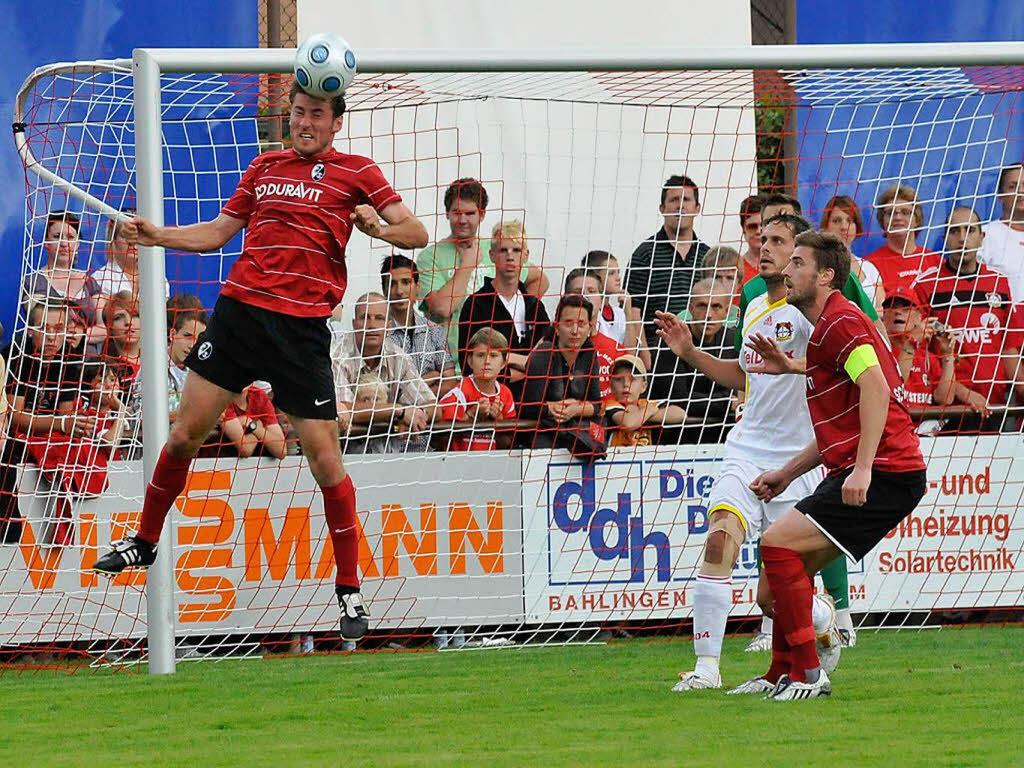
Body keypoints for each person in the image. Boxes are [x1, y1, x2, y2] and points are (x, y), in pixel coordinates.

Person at [91, 80, 429, 643]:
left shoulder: (358, 171)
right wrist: (156, 236)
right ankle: (145, 541)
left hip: (301, 334)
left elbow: (415, 231)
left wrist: (377, 226)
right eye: (297, 112)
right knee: (182, 436)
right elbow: (219, 233)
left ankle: (349, 589)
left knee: (324, 462)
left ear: (335, 121)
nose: (304, 122)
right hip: (241, 318)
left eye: (316, 114)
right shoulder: (263, 166)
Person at [653, 216, 846, 693]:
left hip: (797, 460)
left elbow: (838, 367)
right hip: (746, 448)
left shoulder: (815, 313)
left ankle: (822, 620)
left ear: (803, 258)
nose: (765, 247)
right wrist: (690, 352)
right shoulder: (756, 305)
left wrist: (792, 364)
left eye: (779, 242)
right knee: (718, 540)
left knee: (773, 596)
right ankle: (706, 668)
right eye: (762, 239)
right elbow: (746, 377)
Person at [745, 230, 927, 700]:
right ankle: (780, 672)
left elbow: (876, 387)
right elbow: (839, 424)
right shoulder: (827, 333)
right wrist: (786, 472)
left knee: (777, 544)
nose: (787, 270)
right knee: (771, 592)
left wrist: (864, 467)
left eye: (798, 263)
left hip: (886, 470)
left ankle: (809, 674)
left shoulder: (842, 321)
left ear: (826, 275)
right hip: (874, 468)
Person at [911, 206, 1024, 433]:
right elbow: (920, 354)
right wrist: (964, 393)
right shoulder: (926, 286)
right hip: (949, 409)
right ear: (944, 238)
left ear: (981, 237)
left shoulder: (999, 283)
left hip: (996, 407)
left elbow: (1008, 349)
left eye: (969, 230)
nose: (962, 238)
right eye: (954, 231)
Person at [417, 178, 548, 356]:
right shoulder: (430, 256)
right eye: (456, 212)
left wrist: (519, 313)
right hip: (450, 363)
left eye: (470, 213)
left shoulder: (496, 248)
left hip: (496, 362)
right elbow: (442, 308)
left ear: (482, 215)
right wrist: (468, 264)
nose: (462, 220)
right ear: (447, 213)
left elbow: (539, 279)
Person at [0, 299, 83, 543]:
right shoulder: (17, 354)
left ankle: (64, 526)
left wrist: (67, 425)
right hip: (12, 440)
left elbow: (67, 415)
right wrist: (61, 424)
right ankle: (9, 527)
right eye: (43, 328)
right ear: (31, 329)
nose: (51, 337)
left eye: (58, 329)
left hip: (44, 436)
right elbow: (14, 418)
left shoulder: (68, 358)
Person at [23, 357, 127, 547]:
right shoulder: (88, 416)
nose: (108, 385)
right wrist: (121, 411)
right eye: (102, 379)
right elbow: (110, 443)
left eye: (113, 380)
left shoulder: (115, 419)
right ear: (89, 384)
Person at [457, 220, 551, 401]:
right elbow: (469, 364)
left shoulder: (535, 306)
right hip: (490, 405)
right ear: (492, 255)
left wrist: (509, 360)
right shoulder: (476, 305)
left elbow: (548, 361)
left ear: (525, 255)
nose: (510, 256)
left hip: (534, 403)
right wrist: (524, 367)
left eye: (516, 250)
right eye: (503, 250)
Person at [333, 293, 437, 453]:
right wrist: (399, 412)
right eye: (365, 317)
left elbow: (433, 407)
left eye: (379, 318)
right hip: (344, 456)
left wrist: (416, 415)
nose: (372, 325)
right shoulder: (338, 356)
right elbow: (345, 410)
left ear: (389, 326)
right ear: (354, 324)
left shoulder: (398, 357)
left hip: (390, 459)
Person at [651, 277, 737, 445]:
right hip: (676, 437)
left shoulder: (733, 341)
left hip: (725, 434)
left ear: (727, 312)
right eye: (702, 306)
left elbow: (739, 394)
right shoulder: (671, 339)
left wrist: (726, 401)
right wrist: (727, 402)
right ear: (690, 308)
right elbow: (678, 398)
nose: (709, 314)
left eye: (716, 306)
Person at [626, 174, 710, 340]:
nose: (680, 206)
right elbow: (632, 311)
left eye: (686, 199)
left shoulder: (707, 256)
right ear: (662, 208)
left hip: (702, 352)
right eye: (674, 200)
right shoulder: (644, 254)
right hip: (657, 353)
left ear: (697, 208)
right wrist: (644, 355)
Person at [518, 294, 603, 451]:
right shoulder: (545, 353)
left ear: (590, 328)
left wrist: (576, 409)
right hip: (543, 438)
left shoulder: (590, 353)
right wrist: (553, 409)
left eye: (581, 324)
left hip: (578, 437)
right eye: (568, 324)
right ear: (557, 328)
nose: (575, 331)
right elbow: (528, 407)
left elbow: (597, 405)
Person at [22, 211, 106, 347]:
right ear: (46, 242)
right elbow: (40, 325)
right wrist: (70, 294)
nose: (64, 243)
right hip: (48, 363)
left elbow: (104, 328)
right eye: (57, 236)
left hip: (87, 363)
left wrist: (82, 336)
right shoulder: (32, 282)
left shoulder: (89, 283)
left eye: (70, 237)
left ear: (78, 244)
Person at [381, 253, 457, 398]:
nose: (399, 291)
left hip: (433, 414)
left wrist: (409, 391)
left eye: (406, 282)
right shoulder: (378, 333)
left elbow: (450, 383)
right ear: (384, 290)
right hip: (395, 417)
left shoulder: (435, 331)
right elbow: (382, 391)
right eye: (392, 284)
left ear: (418, 287)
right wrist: (424, 383)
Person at [881, 288, 955, 434]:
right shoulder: (880, 350)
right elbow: (895, 388)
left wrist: (948, 355)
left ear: (919, 317)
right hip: (893, 429)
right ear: (883, 316)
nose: (897, 312)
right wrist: (912, 342)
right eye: (892, 307)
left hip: (927, 433)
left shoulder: (928, 356)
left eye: (906, 309)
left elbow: (945, 399)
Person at [439, 327, 517, 451]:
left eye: (493, 356)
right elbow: (439, 439)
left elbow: (506, 442)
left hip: (492, 463)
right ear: (470, 361)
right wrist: (471, 416)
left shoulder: (506, 394)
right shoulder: (459, 393)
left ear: (503, 363)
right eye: (480, 355)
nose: (487, 361)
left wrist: (498, 420)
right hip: (458, 464)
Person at [563, 268, 628, 397]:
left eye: (591, 291)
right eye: (578, 292)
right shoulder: (552, 346)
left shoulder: (616, 350)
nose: (585, 297)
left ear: (601, 299)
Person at [865, 183, 941, 294]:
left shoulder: (936, 263)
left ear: (917, 220)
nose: (898, 217)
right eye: (890, 213)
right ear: (882, 220)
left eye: (905, 212)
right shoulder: (870, 265)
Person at [603, 354, 685, 447]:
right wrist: (649, 411)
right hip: (617, 458)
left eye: (632, 379)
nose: (626, 384)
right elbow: (628, 424)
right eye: (618, 379)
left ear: (644, 386)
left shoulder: (646, 404)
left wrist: (643, 411)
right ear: (610, 385)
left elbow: (681, 414)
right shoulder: (610, 404)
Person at [820, 194, 885, 312]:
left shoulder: (868, 268)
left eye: (849, 221)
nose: (844, 227)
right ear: (825, 226)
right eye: (837, 221)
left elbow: (881, 310)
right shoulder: (817, 266)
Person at [92, 210, 170, 299]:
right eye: (125, 236)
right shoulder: (99, 279)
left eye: (137, 236)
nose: (132, 242)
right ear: (113, 241)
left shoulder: (158, 277)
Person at [581, 250, 645, 354]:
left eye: (618, 272)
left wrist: (628, 314)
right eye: (611, 273)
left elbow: (630, 354)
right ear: (595, 276)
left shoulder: (620, 313)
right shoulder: (589, 313)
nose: (618, 278)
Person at [979, 162, 1024, 303]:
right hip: (1005, 320)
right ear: (1000, 196)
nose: (1021, 191)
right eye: (1013, 186)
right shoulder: (984, 236)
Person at [217, 384, 287, 458]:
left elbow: (281, 451)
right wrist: (259, 427)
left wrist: (253, 426)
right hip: (215, 461)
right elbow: (245, 450)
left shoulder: (259, 395)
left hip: (253, 464)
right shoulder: (222, 397)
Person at [342, 372, 394, 455]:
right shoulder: (349, 427)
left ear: (386, 402)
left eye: (377, 399)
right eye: (365, 400)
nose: (372, 404)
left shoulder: (394, 423)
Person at [738, 194, 765, 285]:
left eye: (763, 225)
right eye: (752, 226)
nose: (758, 231)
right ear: (743, 230)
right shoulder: (735, 270)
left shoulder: (785, 267)